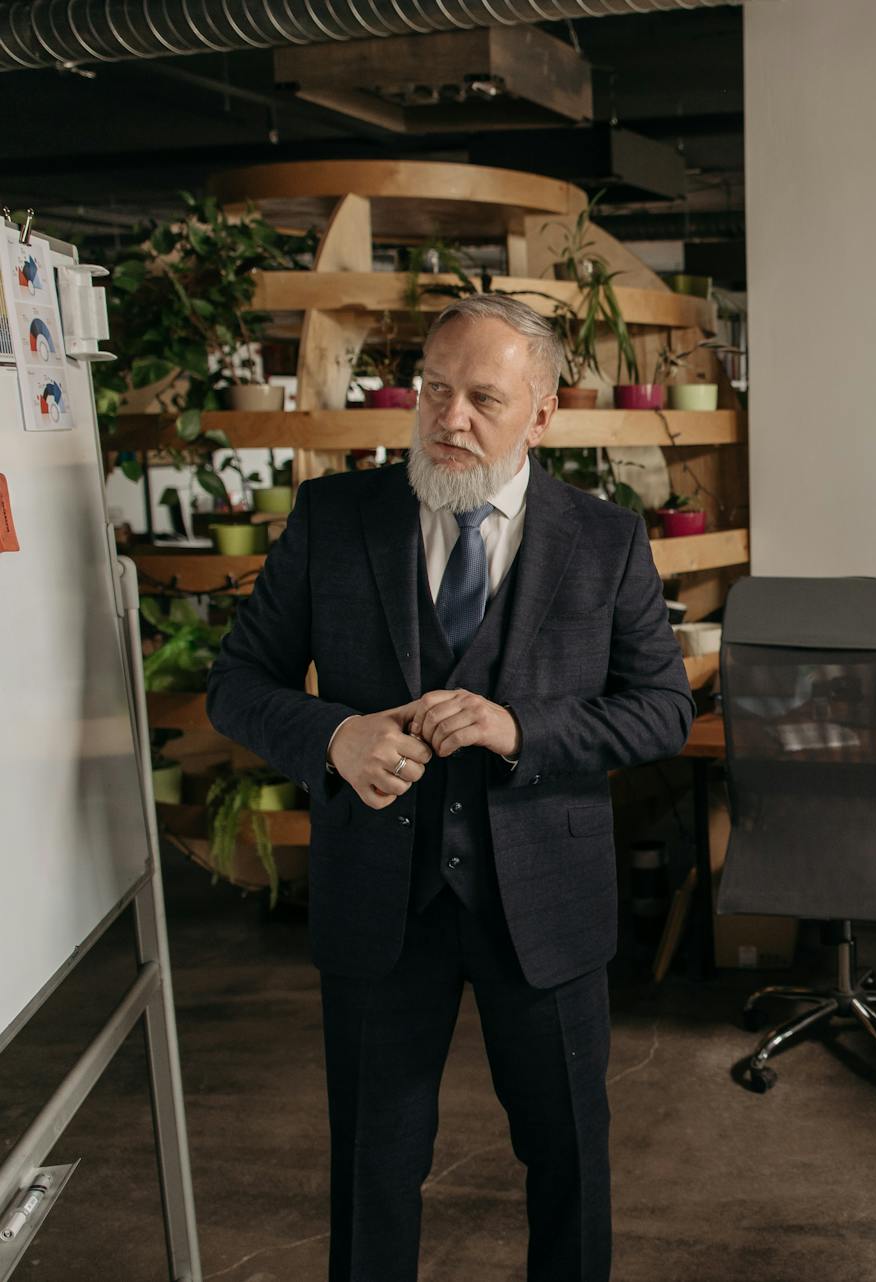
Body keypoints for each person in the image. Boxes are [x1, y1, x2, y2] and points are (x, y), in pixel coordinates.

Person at [207, 294, 694, 1282]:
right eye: (433, 389)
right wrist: (333, 734)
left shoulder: (604, 541)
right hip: (381, 906)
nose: (449, 418)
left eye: (482, 397)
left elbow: (663, 710)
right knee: (374, 1167)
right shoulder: (335, 519)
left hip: (544, 909)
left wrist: (523, 729)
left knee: (568, 1162)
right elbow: (237, 685)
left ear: (543, 412)